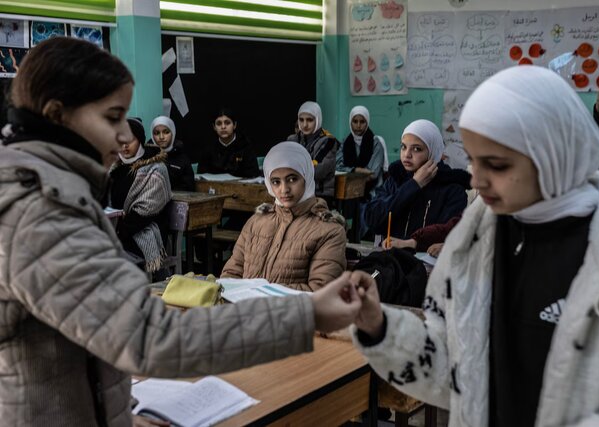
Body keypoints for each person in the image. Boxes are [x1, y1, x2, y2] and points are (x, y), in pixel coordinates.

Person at [0, 37, 363, 427]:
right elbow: (148, 336)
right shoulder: (42, 212)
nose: (126, 136)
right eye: (112, 117)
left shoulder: (43, 190)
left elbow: (68, 348)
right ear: (57, 116)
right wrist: (306, 315)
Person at [349, 66, 599, 427]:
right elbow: (456, 368)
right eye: (472, 159)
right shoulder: (481, 235)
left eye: (497, 164)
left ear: (553, 154)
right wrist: (380, 326)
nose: (476, 178)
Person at [221, 141, 347, 291]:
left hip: (292, 313)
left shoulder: (328, 230)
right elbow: (231, 274)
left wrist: (262, 294)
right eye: (276, 182)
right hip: (247, 311)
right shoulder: (257, 221)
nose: (284, 189)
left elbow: (319, 291)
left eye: (292, 179)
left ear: (306, 176)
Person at [363, 119, 469, 241]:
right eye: (403, 147)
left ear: (433, 152)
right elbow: (372, 220)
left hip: (427, 259)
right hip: (390, 256)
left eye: (416, 149)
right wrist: (413, 185)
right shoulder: (396, 179)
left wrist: (410, 244)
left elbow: (445, 236)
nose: (406, 155)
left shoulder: (452, 189)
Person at [109, 117, 172, 275]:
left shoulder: (156, 169)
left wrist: (117, 232)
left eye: (130, 140)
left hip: (144, 232)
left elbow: (145, 212)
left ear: (140, 140)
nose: (124, 145)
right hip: (119, 229)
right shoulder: (115, 167)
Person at [288, 101, 338, 202]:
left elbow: (318, 171)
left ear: (318, 120)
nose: (305, 124)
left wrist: (292, 171)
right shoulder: (292, 140)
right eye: (301, 120)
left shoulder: (328, 141)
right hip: (296, 193)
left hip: (320, 195)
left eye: (310, 120)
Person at [336, 105, 385, 197]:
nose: (358, 126)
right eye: (355, 121)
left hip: (373, 193)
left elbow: (372, 174)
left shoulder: (375, 143)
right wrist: (357, 170)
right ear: (350, 122)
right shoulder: (346, 142)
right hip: (349, 191)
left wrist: (350, 174)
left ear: (367, 123)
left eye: (362, 122)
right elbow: (337, 166)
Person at [197, 108, 260, 178]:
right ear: (214, 127)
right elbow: (201, 177)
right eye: (219, 123)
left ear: (234, 125)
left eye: (227, 123)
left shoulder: (246, 147)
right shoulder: (208, 150)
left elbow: (253, 176)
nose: (223, 127)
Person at [150, 115, 195, 191]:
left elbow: (188, 187)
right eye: (157, 133)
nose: (161, 137)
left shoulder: (183, 159)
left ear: (173, 133)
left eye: (166, 132)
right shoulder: (147, 157)